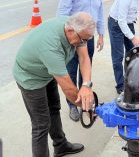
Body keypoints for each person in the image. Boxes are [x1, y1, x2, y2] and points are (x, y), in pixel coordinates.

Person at [12, 12, 95, 157]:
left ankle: (61, 145)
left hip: (48, 72)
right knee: (41, 125)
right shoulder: (51, 46)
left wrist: (86, 85)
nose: (83, 42)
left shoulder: (76, 27)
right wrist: (88, 106)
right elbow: (69, 89)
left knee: (54, 108)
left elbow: (84, 57)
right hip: (30, 78)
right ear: (70, 31)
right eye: (82, 40)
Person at [57, 0, 104, 121]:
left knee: (85, 69)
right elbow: (63, 13)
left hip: (88, 38)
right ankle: (72, 106)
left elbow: (99, 15)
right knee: (70, 71)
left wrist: (101, 35)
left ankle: (83, 99)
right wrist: (68, 36)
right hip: (72, 38)